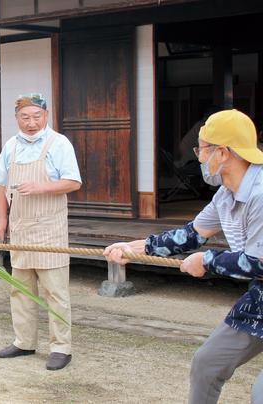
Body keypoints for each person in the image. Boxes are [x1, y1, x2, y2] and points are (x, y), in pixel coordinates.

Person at [104, 109, 263, 403]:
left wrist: (207, 261)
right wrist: (135, 249)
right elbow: (191, 235)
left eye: (201, 149)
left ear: (223, 153)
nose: (199, 158)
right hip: (260, 298)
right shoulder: (225, 195)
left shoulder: (261, 193)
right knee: (207, 363)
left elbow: (258, 263)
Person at [0, 93, 82, 371]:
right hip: (20, 228)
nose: (31, 123)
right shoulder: (11, 146)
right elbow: (1, 186)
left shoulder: (59, 143)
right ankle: (24, 341)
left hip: (49, 228)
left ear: (46, 115)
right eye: (25, 117)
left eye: (36, 116)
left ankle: (61, 348)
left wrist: (41, 187)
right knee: (20, 289)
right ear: (16, 118)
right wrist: (2, 221)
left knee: (55, 291)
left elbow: (73, 182)